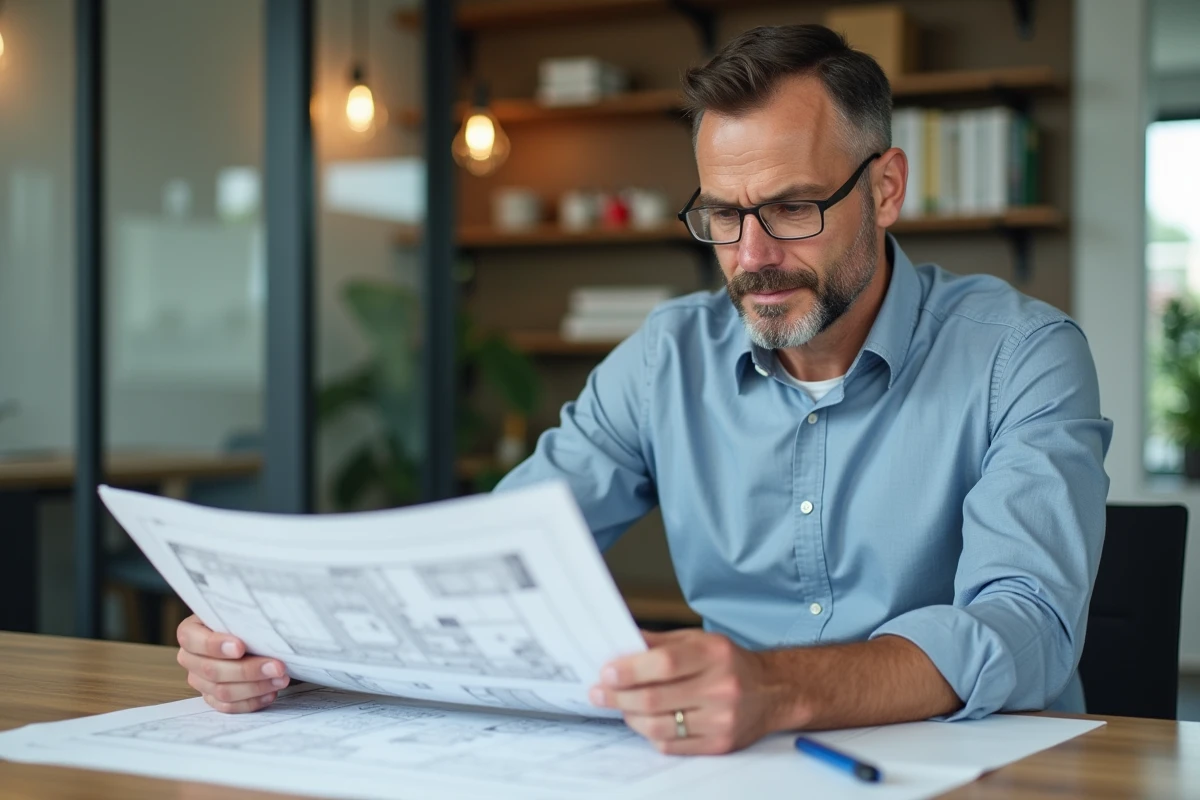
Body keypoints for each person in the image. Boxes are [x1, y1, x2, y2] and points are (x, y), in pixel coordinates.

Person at [174, 24, 1111, 756]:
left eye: (791, 208)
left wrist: (780, 688)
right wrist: (287, 650)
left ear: (888, 186)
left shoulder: (1022, 357)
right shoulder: (667, 360)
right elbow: (490, 560)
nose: (751, 258)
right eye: (722, 215)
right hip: (724, 768)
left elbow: (1024, 626)